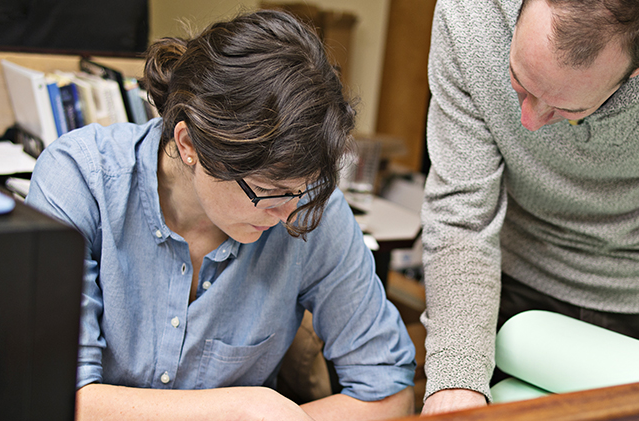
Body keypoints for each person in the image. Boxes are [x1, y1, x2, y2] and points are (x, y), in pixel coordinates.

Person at [25, 10, 416, 421]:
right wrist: (241, 408)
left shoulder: (305, 203)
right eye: (267, 193)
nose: (289, 214)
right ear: (189, 143)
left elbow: (388, 391)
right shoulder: (80, 180)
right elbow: (52, 396)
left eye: (302, 191)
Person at [420, 0, 639, 414]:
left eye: (566, 108)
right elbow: (460, 211)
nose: (530, 122)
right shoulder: (469, 14)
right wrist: (457, 380)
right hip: (507, 281)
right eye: (519, 82)